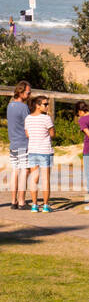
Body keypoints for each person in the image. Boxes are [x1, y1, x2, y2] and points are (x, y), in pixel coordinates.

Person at [24, 95, 55, 213]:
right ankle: (46, 205)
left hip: (32, 150)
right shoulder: (46, 118)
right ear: (38, 106)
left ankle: (34, 205)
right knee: (45, 178)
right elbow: (52, 134)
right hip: (45, 151)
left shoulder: (28, 118)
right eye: (45, 104)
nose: (47, 106)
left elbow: (27, 134)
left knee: (34, 178)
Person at [7, 81, 32, 210]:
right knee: (25, 170)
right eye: (28, 92)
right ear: (21, 92)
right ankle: (22, 201)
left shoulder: (10, 106)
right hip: (23, 143)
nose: (29, 94)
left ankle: (13, 201)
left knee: (15, 171)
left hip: (13, 144)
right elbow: (29, 125)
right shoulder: (23, 107)